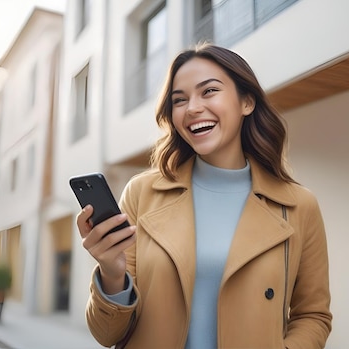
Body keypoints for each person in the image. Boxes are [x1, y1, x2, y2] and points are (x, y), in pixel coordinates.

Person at [77, 43, 332, 348]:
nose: (192, 108)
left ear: (246, 102)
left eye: (209, 91)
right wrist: (111, 273)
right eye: (179, 100)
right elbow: (107, 335)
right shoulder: (142, 193)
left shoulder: (298, 205)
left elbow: (313, 315)